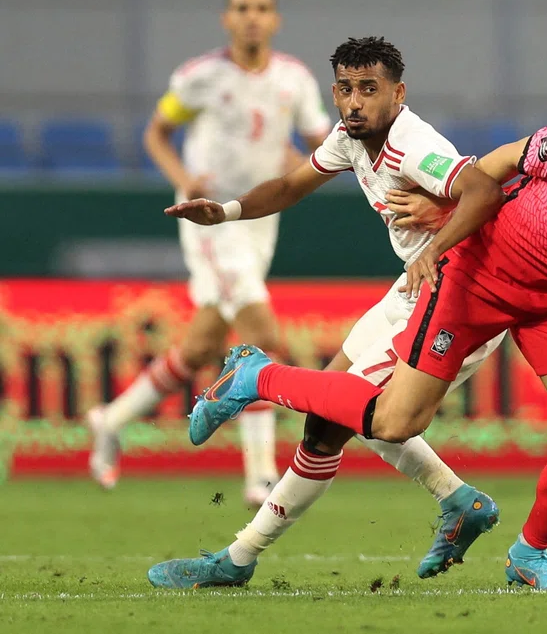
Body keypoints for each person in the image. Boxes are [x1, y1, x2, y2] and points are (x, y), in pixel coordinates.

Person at [179, 92, 547, 591]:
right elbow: (494, 167)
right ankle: (258, 376)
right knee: (395, 422)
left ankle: (529, 556)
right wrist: (445, 205)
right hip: (480, 273)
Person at [147, 37, 507, 589]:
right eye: (345, 89)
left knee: (342, 416)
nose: (355, 101)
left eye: (369, 89)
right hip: (413, 290)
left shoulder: (413, 146)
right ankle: (458, 501)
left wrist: (434, 246)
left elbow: (483, 192)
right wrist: (227, 211)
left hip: (457, 299)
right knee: (331, 408)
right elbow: (290, 186)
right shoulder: (348, 138)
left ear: (398, 93)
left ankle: (239, 547)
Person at [85, 0, 332, 505]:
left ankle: (110, 419)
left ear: (275, 19)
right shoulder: (200, 77)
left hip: (260, 216)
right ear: (227, 18)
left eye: (261, 7)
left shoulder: (294, 79)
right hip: (210, 220)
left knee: (200, 346)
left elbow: (321, 142)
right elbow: (157, 131)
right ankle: (260, 475)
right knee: (261, 333)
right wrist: (183, 177)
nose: (251, 17)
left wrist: (301, 162)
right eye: (241, 7)